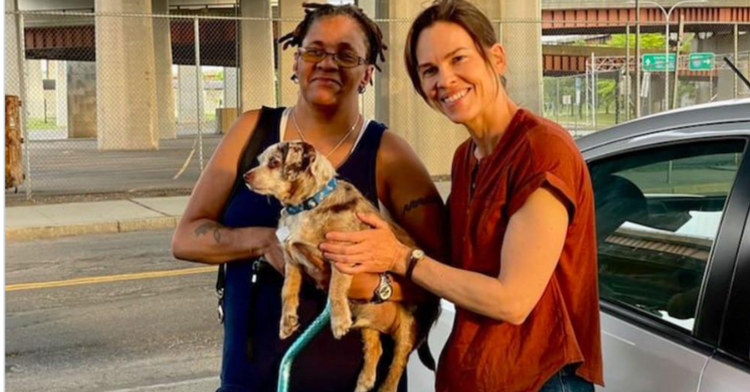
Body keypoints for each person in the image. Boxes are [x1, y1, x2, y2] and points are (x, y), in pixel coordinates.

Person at [320, 1, 603, 391]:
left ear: (497, 57)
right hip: (477, 374)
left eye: (458, 59)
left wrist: (401, 258)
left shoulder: (541, 150)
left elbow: (513, 301)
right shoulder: (465, 157)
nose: (446, 80)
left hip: (538, 379)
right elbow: (454, 264)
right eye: (430, 71)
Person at [171, 3, 446, 391]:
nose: (327, 63)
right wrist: (266, 241)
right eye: (314, 50)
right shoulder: (253, 132)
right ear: (295, 63)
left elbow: (442, 273)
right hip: (251, 380)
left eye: (346, 54)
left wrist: (377, 287)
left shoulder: (388, 153)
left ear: (367, 73)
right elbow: (185, 238)